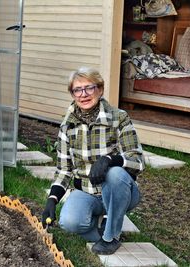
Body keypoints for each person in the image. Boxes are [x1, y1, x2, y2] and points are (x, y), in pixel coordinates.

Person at [41, 66, 144, 255]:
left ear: (100, 89)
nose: (84, 94)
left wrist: (110, 160)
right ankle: (104, 225)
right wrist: (52, 199)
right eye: (77, 90)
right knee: (69, 222)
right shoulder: (67, 127)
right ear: (72, 94)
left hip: (119, 192)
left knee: (114, 173)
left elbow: (137, 160)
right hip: (87, 191)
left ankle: (110, 237)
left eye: (89, 88)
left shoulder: (118, 118)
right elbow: (64, 170)